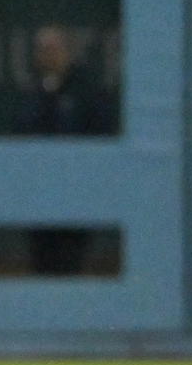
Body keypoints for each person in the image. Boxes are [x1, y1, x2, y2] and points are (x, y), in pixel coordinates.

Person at [11, 25, 118, 275]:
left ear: (68, 52)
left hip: (76, 188)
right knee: (41, 262)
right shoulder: (31, 92)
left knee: (71, 261)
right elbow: (20, 131)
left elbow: (100, 133)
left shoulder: (86, 91)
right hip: (38, 190)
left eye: (54, 49)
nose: (48, 55)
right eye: (43, 50)